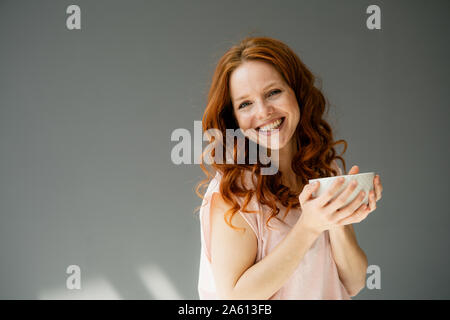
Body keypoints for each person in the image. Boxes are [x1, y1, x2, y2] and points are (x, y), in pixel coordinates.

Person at [196, 36, 383, 300]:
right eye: (245, 104)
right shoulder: (234, 192)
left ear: (297, 92)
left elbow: (352, 282)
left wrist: (338, 217)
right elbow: (235, 300)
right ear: (234, 118)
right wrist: (309, 227)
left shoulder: (319, 173)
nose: (263, 111)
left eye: (273, 92)